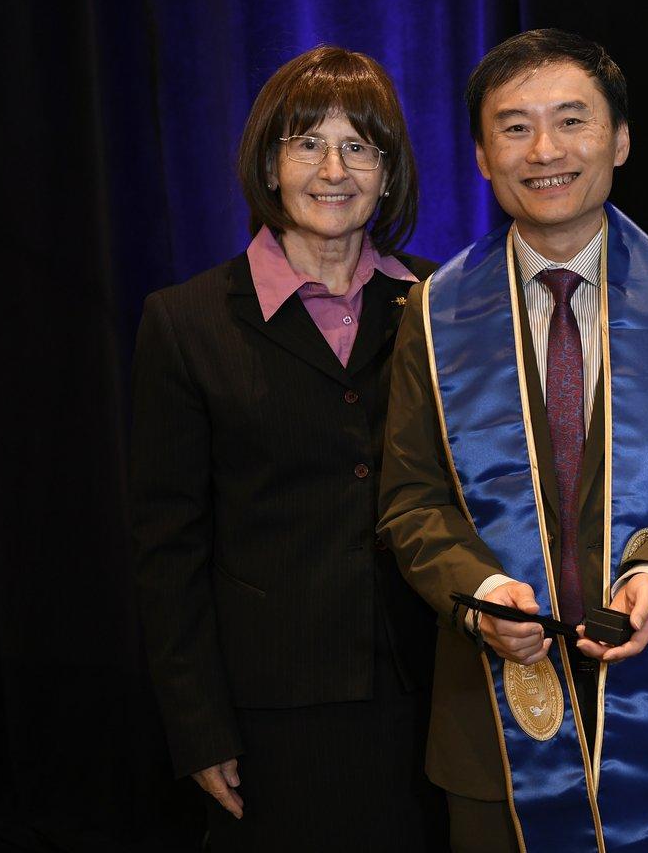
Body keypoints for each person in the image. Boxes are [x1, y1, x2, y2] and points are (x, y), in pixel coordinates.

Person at [379, 28, 648, 853]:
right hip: (490, 721)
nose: (544, 150)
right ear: (482, 155)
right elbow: (410, 500)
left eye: (572, 121)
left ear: (619, 139)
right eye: (514, 127)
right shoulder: (434, 314)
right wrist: (476, 592)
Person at [130, 45, 445, 851]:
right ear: (269, 165)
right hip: (270, 712)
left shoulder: (442, 303)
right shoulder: (186, 321)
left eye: (358, 146)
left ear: (389, 170)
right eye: (306, 143)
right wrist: (197, 727)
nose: (332, 169)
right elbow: (167, 548)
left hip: (434, 693)